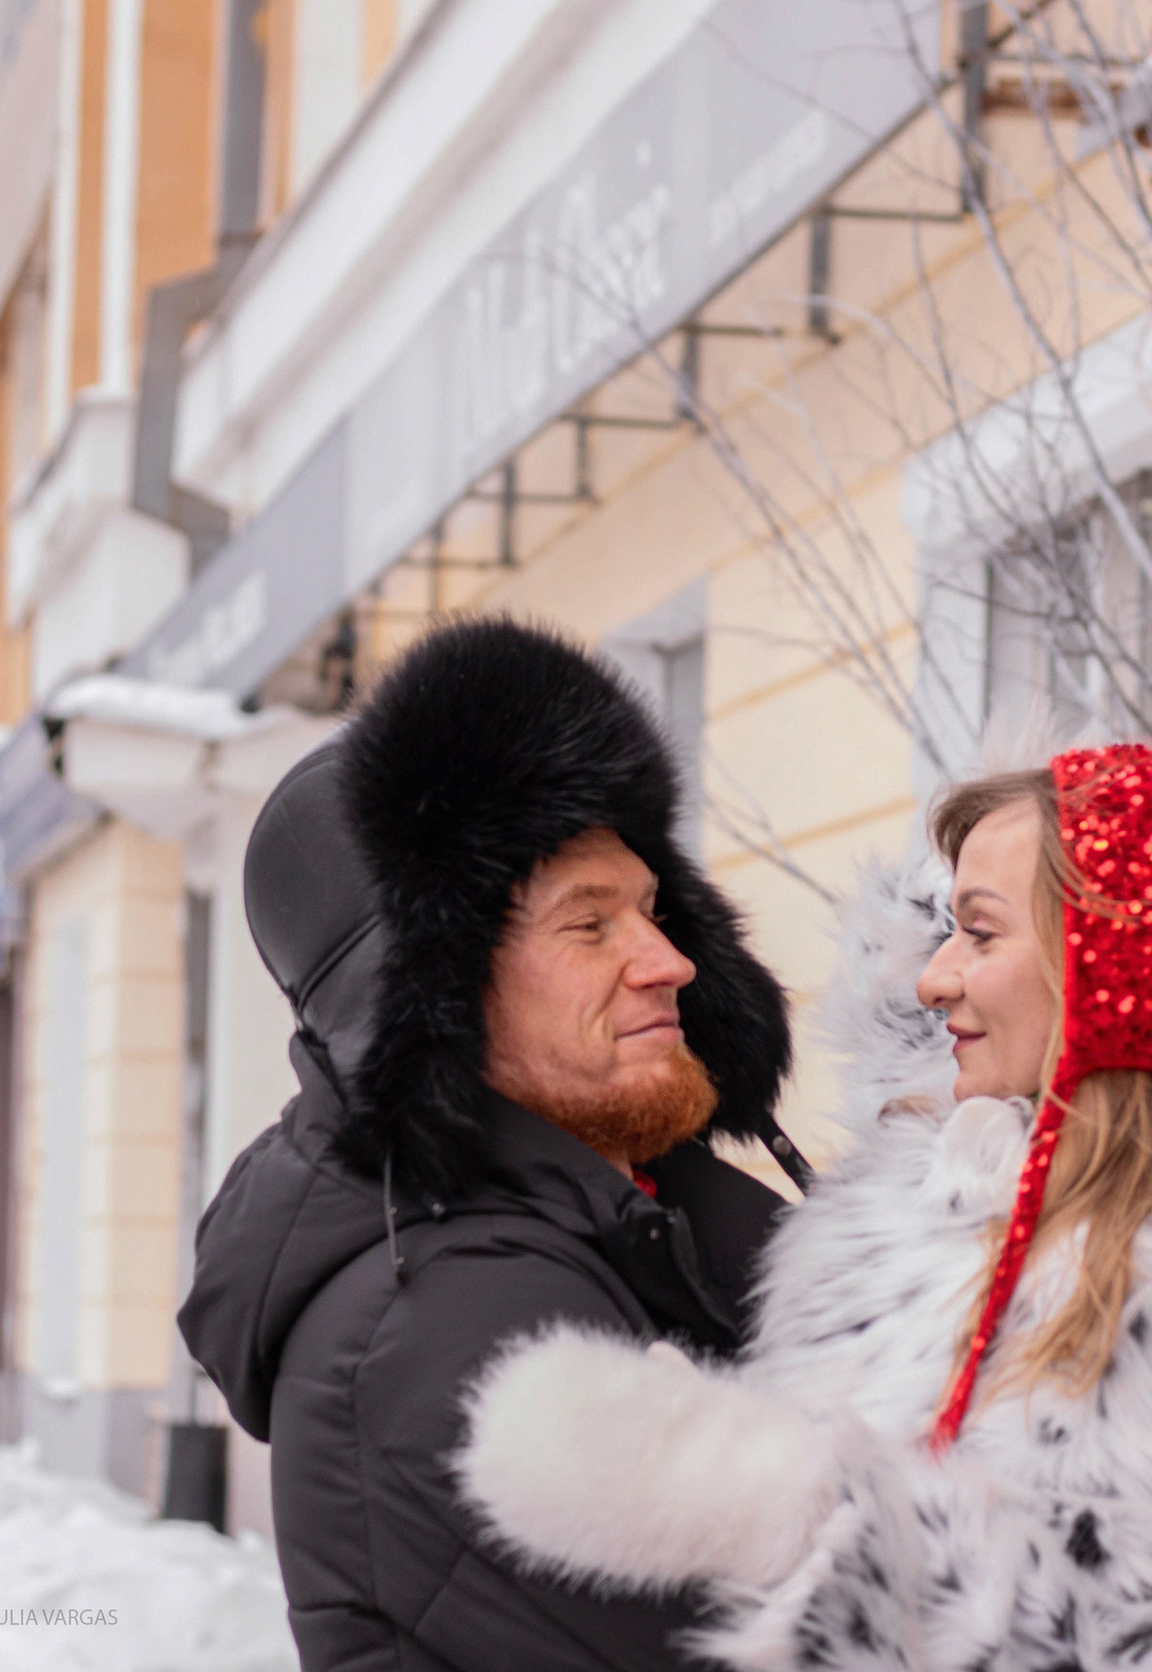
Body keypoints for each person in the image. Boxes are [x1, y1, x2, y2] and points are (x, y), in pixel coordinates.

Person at [461, 736, 1152, 1672]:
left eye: (982, 932)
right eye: (948, 928)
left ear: (1111, 966)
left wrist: (751, 1489)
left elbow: (1100, 1630)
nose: (934, 978)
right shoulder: (958, 1173)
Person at [178, 617, 804, 1672]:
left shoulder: (630, 1217)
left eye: (653, 910)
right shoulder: (449, 1322)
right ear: (436, 997)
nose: (669, 961)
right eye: (588, 924)